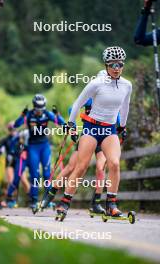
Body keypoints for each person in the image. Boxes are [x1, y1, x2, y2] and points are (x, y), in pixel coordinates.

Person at [55, 46, 132, 219]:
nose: (116, 68)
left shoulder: (127, 85)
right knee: (81, 166)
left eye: (119, 64)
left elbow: (125, 106)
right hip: (91, 128)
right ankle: (65, 202)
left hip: (110, 129)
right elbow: (76, 104)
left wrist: (123, 126)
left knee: (114, 164)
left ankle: (111, 204)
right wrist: (71, 124)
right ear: (106, 65)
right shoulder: (96, 83)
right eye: (112, 64)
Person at [41, 99, 124, 216]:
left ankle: (96, 202)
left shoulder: (109, 97)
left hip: (105, 135)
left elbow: (117, 113)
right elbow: (72, 108)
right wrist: (73, 128)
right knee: (72, 167)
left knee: (101, 168)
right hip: (89, 134)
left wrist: (121, 126)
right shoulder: (91, 97)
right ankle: (51, 192)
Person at [14, 94, 65, 211]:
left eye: (41, 109)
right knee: (35, 175)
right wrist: (22, 114)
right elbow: (16, 125)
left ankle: (48, 201)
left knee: (47, 174)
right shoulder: (29, 114)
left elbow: (61, 123)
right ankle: (34, 201)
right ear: (34, 107)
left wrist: (57, 114)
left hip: (44, 146)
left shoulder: (47, 114)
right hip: (32, 147)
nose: (39, 112)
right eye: (37, 109)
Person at [0, 129, 30, 208]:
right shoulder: (8, 140)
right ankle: (11, 200)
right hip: (10, 163)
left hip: (20, 163)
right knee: (11, 180)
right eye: (10, 129)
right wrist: (0, 150)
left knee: (23, 180)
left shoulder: (25, 143)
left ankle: (31, 198)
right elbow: (0, 148)